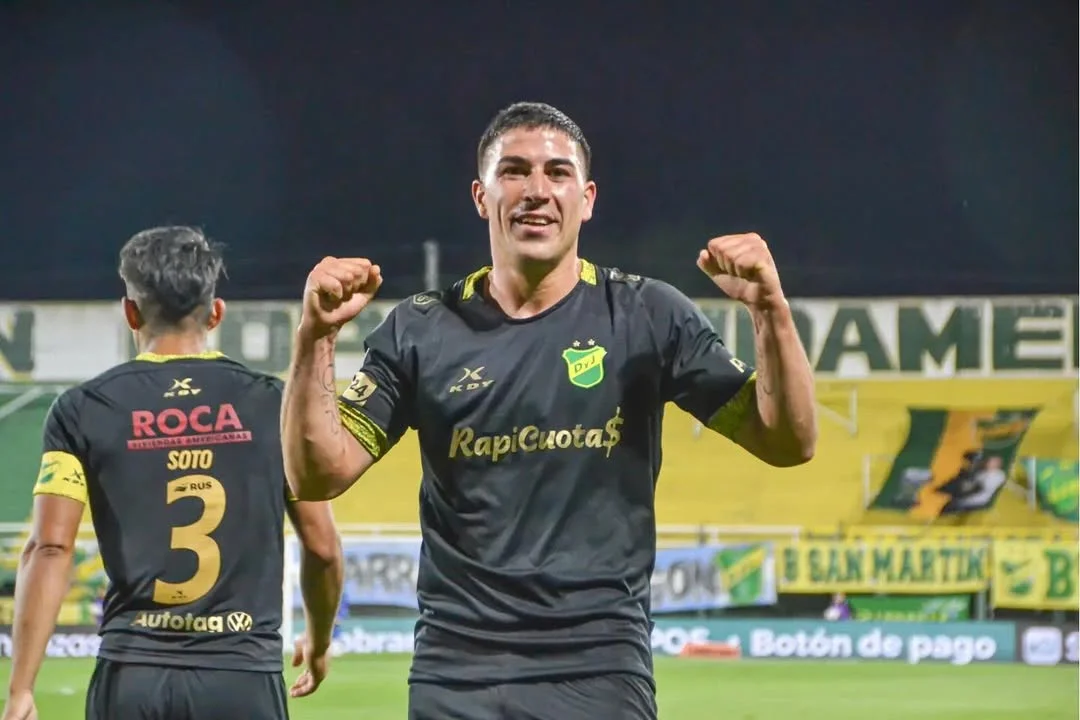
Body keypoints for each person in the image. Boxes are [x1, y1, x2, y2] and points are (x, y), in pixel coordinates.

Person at [281, 102, 817, 719]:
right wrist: (314, 338)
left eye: (557, 172)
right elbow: (316, 475)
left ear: (586, 199)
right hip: (457, 673)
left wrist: (771, 311)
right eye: (514, 171)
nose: (536, 189)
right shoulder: (420, 329)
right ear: (481, 196)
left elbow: (789, 443)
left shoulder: (648, 315)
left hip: (600, 669)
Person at [2, 227, 344, 720]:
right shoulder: (275, 404)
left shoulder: (82, 409)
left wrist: (21, 689)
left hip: (131, 676)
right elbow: (323, 547)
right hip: (241, 676)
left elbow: (50, 548)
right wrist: (318, 642)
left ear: (131, 313)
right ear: (216, 313)